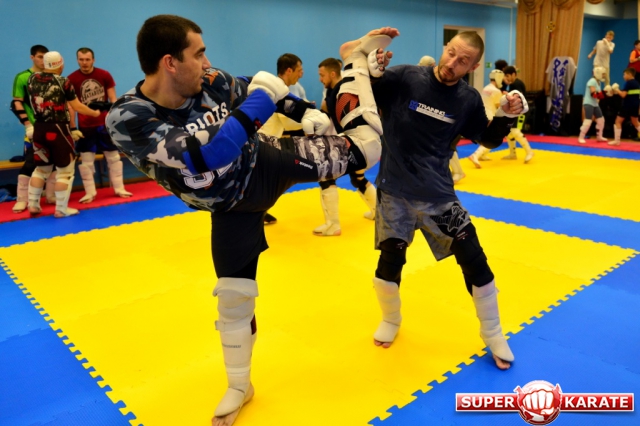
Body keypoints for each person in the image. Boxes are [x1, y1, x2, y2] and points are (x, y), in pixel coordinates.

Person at [104, 14, 397, 425]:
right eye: (198, 54)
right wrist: (264, 98)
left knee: (368, 148)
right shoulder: (129, 117)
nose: (207, 63)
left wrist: (303, 110)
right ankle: (240, 385)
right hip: (231, 206)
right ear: (170, 62)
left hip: (267, 161)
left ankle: (353, 61)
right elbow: (209, 153)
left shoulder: (210, 81)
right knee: (234, 297)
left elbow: (260, 90)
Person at [369, 30, 528, 371]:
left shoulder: (468, 99)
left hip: (438, 198)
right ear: (445, 48)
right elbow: (366, 94)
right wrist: (372, 68)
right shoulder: (406, 77)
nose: (452, 63)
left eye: (463, 61)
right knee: (390, 262)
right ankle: (391, 319)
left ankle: (493, 333)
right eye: (451, 53)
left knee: (475, 260)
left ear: (474, 66)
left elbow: (487, 138)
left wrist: (506, 114)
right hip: (394, 192)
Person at [302, 57, 377, 236]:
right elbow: (326, 111)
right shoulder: (332, 91)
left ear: (333, 73)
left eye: (322, 75)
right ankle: (378, 212)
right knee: (357, 178)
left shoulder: (343, 91)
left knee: (326, 176)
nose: (320, 79)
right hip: (360, 143)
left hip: (355, 142)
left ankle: (333, 225)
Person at [26, 52, 100, 218]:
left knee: (41, 169)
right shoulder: (63, 82)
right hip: (58, 129)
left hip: (39, 128)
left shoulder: (32, 79)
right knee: (65, 172)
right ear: (60, 64)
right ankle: (61, 209)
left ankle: (33, 205)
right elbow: (77, 106)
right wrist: (94, 113)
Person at [67, 47, 132, 203]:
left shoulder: (104, 75)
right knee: (86, 162)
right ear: (77, 60)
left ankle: (119, 188)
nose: (84, 62)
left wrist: (116, 120)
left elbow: (113, 99)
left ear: (93, 60)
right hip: (85, 126)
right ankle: (90, 192)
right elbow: (71, 106)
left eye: (87, 59)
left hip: (104, 125)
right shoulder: (71, 79)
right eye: (81, 59)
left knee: (114, 158)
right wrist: (73, 127)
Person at [258, 53, 306, 225]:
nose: (301, 74)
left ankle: (260, 212)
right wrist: (310, 119)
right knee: (269, 181)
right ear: (289, 70)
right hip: (264, 141)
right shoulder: (279, 91)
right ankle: (256, 213)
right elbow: (288, 121)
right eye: (299, 70)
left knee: (268, 181)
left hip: (269, 140)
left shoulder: (279, 88)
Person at [9, 45, 57, 213]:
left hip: (53, 126)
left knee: (55, 163)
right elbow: (17, 102)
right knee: (31, 162)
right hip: (34, 128)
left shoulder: (53, 77)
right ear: (32, 57)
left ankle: (50, 195)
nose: (43, 60)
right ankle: (22, 199)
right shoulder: (23, 77)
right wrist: (28, 125)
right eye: (39, 57)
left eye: (45, 57)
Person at [418, 55, 465, 183]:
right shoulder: (426, 80)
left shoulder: (446, 79)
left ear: (432, 66)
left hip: (451, 118)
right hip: (437, 119)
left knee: (447, 145)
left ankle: (458, 172)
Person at [467, 69, 504, 168]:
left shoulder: (486, 88)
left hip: (483, 114)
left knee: (488, 137)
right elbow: (499, 106)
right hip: (491, 115)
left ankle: (483, 155)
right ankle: (475, 155)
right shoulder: (496, 91)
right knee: (492, 139)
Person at [500, 66, 534, 162]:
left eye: (508, 76)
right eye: (505, 76)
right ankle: (512, 154)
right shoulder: (513, 84)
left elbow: (518, 98)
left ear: (513, 74)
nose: (506, 78)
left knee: (515, 131)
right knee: (509, 133)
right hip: (516, 111)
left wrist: (506, 95)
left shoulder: (517, 84)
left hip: (521, 112)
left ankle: (529, 152)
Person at [578, 67, 610, 144]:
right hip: (589, 103)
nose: (603, 76)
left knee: (601, 120)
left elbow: (599, 96)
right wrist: (603, 93)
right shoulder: (592, 81)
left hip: (595, 104)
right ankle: (581, 137)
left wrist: (606, 93)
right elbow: (593, 94)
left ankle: (599, 136)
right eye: (603, 74)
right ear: (598, 73)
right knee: (588, 120)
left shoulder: (598, 82)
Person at [609, 68, 640, 146]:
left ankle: (617, 141)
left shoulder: (628, 83)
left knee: (618, 121)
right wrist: (617, 91)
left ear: (629, 74)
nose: (623, 76)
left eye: (624, 74)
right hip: (635, 105)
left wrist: (616, 89)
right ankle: (616, 141)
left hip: (627, 105)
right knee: (636, 123)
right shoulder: (637, 83)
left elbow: (623, 95)